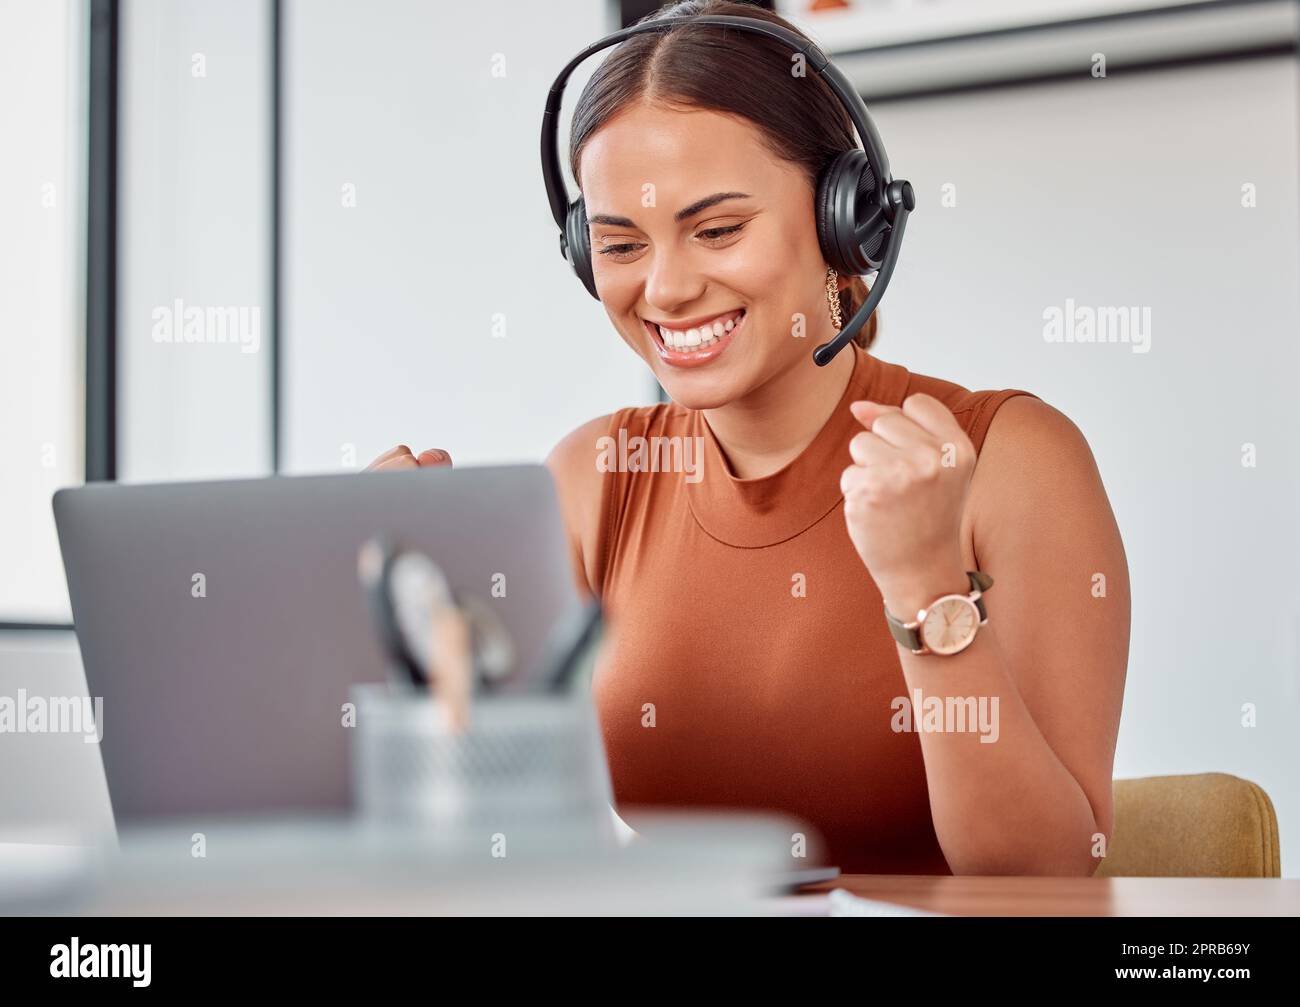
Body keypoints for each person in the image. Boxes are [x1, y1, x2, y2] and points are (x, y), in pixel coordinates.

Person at [368, 0, 1129, 876]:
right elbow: (493, 852)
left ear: (848, 216)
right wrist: (416, 657)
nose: (666, 287)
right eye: (619, 244)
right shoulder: (593, 478)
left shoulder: (1010, 460)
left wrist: (926, 588)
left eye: (718, 230)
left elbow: (1044, 876)